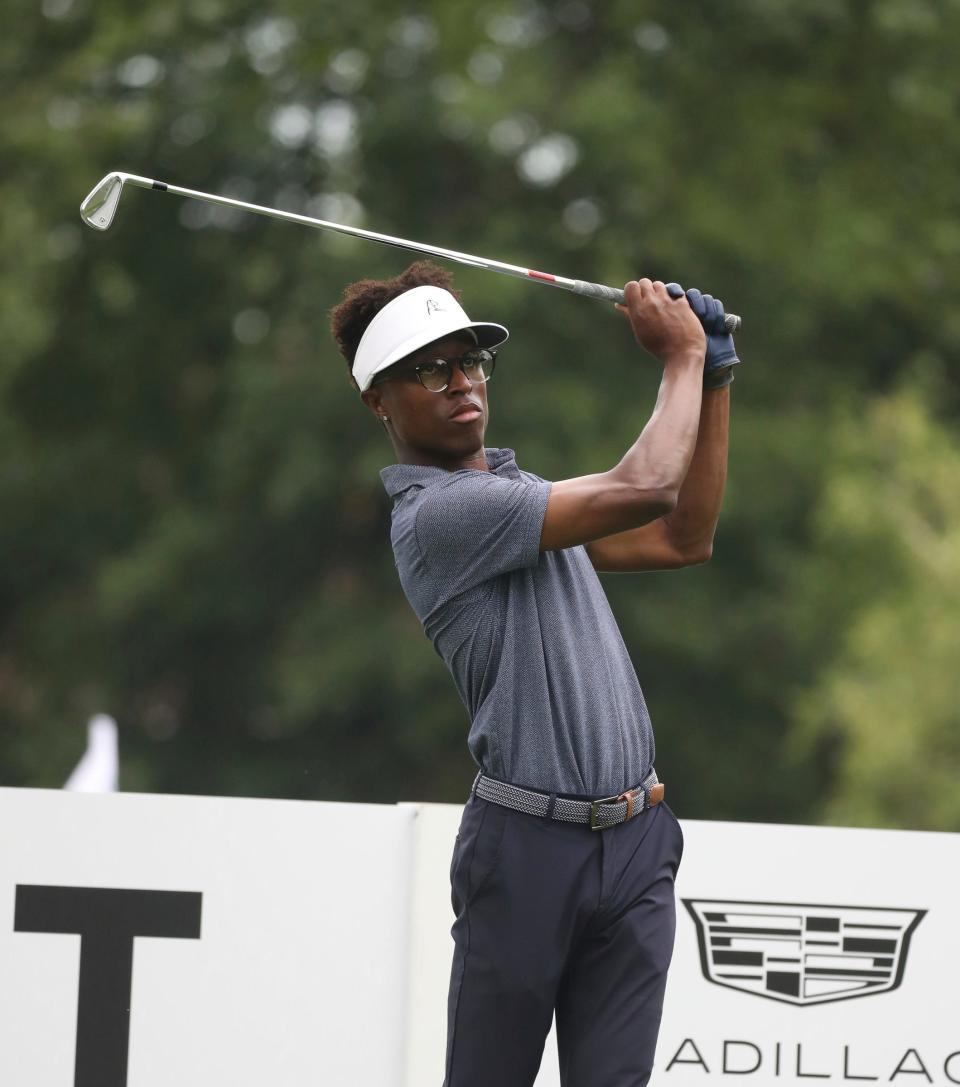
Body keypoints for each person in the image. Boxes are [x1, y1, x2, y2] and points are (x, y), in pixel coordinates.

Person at [329, 260, 736, 1087]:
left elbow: (684, 536)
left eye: (470, 360)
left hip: (636, 841)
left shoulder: (526, 501)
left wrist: (716, 377)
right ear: (378, 399)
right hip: (526, 848)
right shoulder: (442, 515)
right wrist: (682, 360)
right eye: (429, 369)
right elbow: (648, 485)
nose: (460, 382)